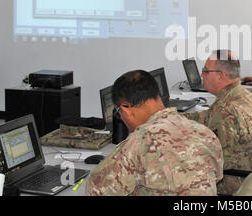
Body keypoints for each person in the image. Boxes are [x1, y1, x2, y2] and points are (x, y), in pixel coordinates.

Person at [86, 70, 224, 196]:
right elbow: (217, 176)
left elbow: (96, 190)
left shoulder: (141, 141)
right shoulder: (204, 132)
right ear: (157, 96)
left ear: (126, 109)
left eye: (119, 112)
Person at [184, 50, 252, 195]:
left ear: (220, 76)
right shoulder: (240, 95)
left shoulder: (227, 109)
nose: (201, 75)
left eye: (205, 71)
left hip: (236, 179)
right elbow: (206, 117)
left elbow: (217, 160)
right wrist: (172, 116)